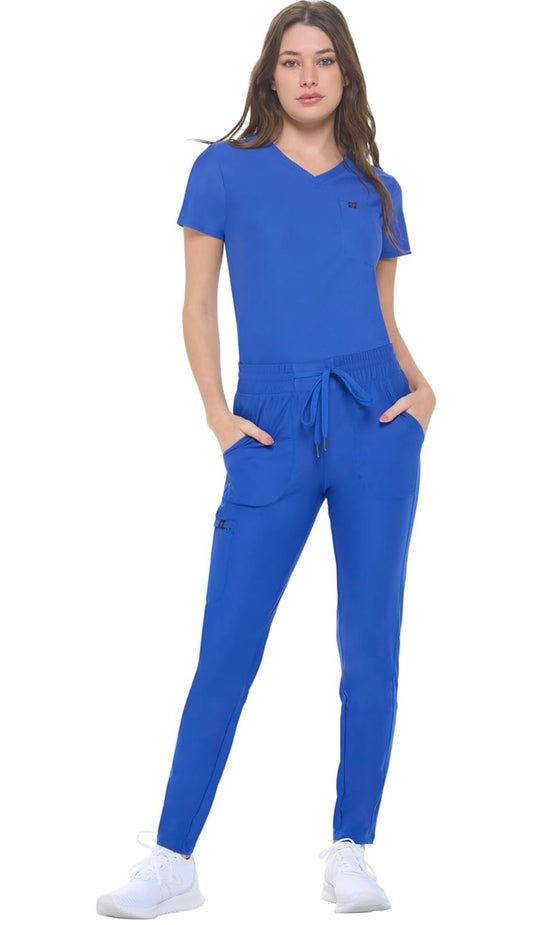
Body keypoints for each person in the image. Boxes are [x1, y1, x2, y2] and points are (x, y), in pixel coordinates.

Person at [96, 1, 436, 917]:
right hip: (269, 428)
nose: (308, 76)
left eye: (324, 60)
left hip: (375, 423)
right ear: (269, 75)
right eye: (291, 61)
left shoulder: (378, 186)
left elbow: (382, 314)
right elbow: (197, 306)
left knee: (370, 649)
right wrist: (218, 416)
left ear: (345, 74)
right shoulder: (222, 171)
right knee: (227, 647)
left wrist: (422, 396)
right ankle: (172, 856)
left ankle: (351, 846)